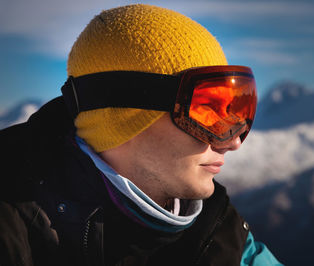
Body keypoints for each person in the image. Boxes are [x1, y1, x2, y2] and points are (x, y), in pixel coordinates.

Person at [0, 4, 282, 266]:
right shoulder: (12, 222)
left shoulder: (218, 234)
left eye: (235, 109)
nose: (233, 142)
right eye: (207, 110)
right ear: (126, 115)